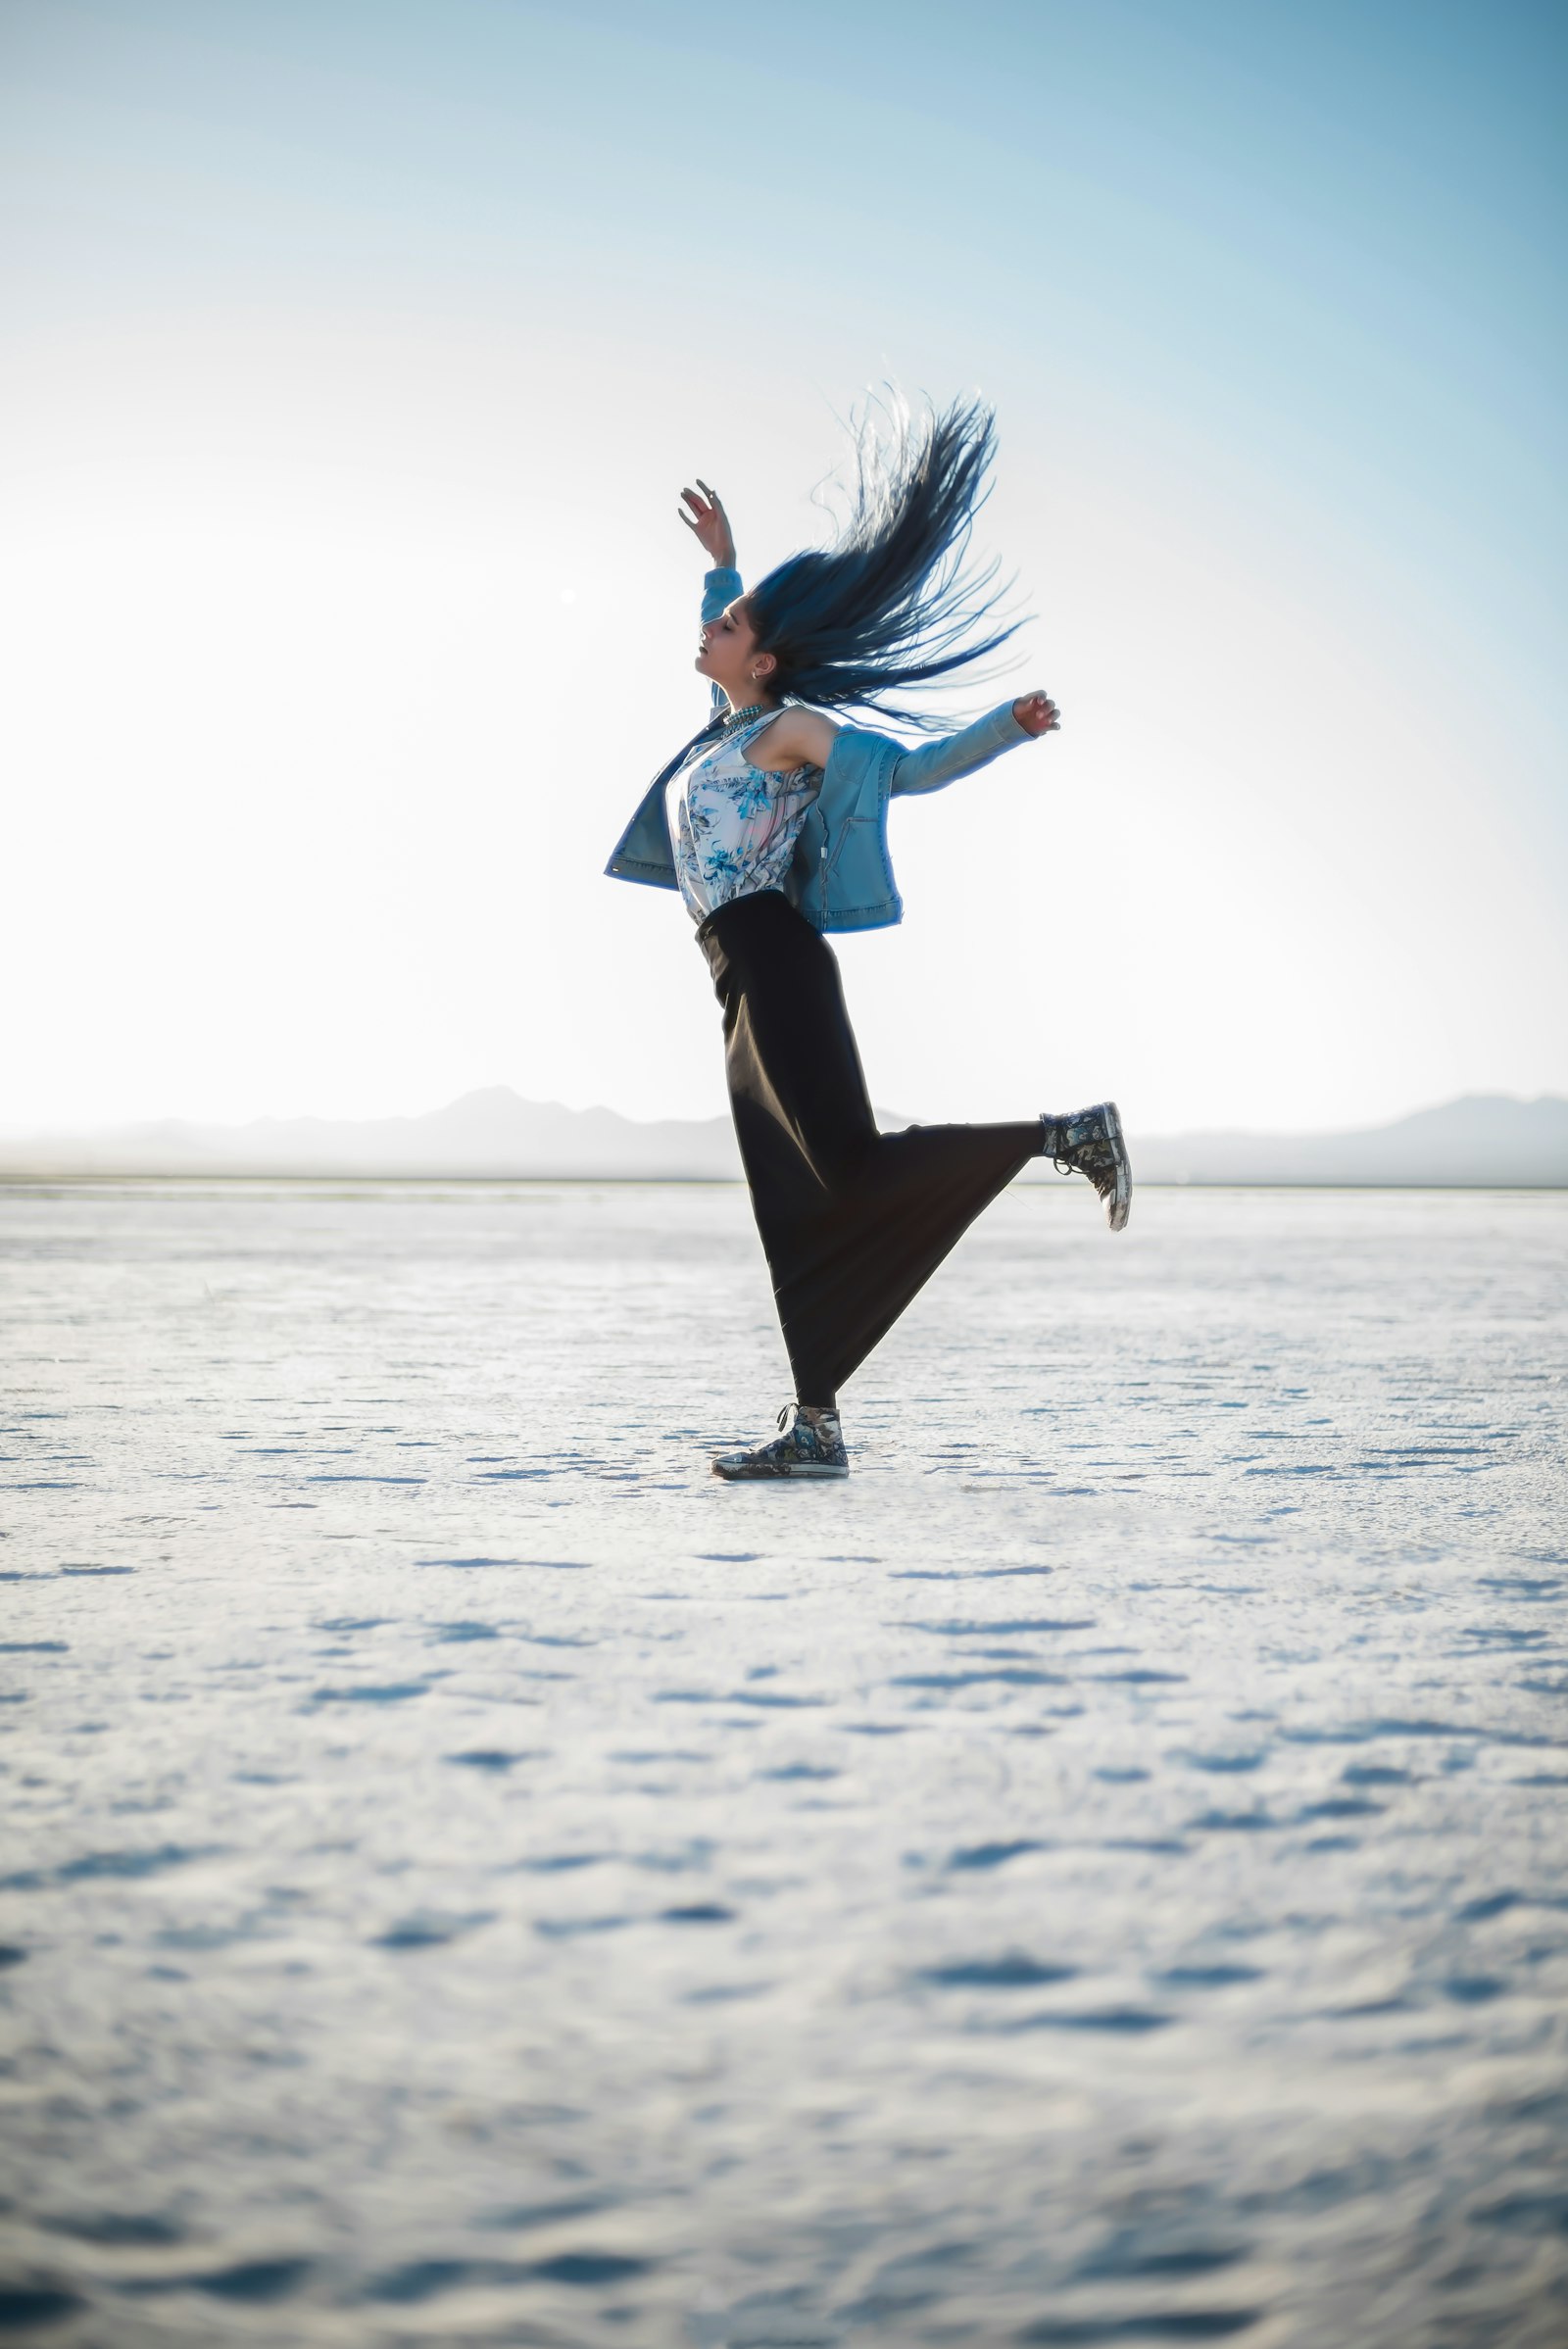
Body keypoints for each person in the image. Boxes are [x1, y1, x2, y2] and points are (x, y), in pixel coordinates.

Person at [606, 398, 1130, 1480]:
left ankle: (1065, 1134)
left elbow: (906, 770)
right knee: (789, 1195)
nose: (711, 628)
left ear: (763, 661)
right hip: (736, 977)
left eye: (732, 623)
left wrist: (1003, 730)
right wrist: (726, 564)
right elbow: (733, 645)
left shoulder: (790, 731)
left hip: (777, 959)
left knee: (847, 1165)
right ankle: (816, 1428)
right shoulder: (731, 726)